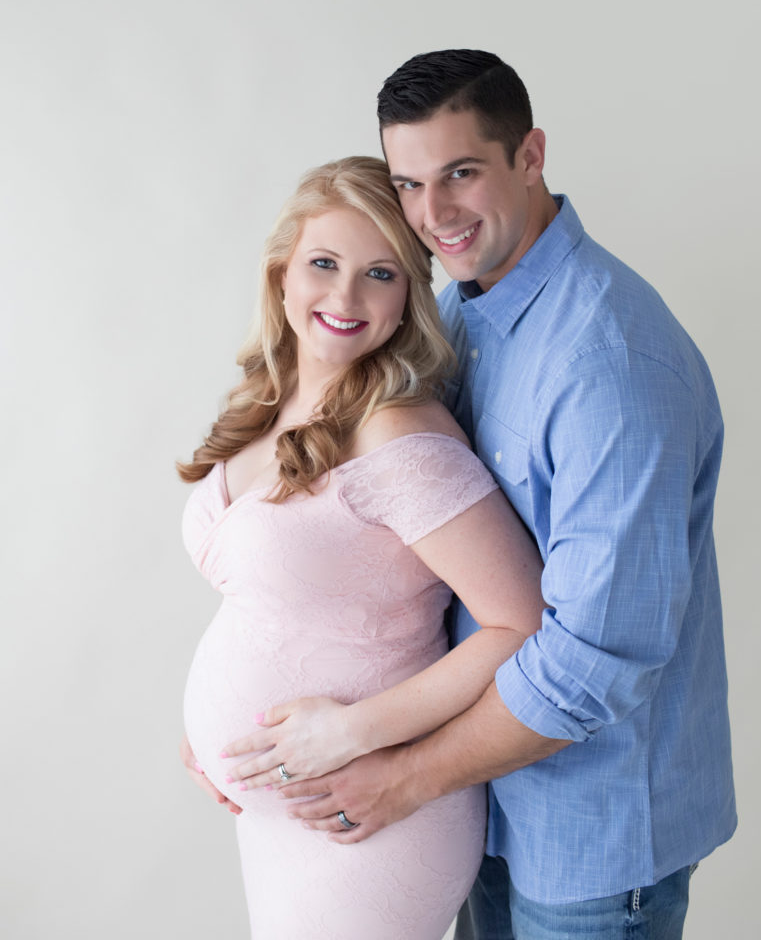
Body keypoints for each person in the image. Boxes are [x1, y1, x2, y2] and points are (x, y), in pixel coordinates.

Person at [274, 51, 737, 939]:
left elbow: (593, 660)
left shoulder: (609, 364)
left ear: (529, 154)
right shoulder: (460, 313)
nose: (433, 215)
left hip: (590, 842)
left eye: (461, 173)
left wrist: (401, 774)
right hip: (482, 811)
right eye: (409, 184)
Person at [177, 155, 546, 940]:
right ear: (281, 276)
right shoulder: (266, 406)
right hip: (282, 813)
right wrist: (209, 733)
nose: (345, 297)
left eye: (379, 273)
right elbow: (273, 600)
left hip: (366, 818)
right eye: (323, 264)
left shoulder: (396, 435)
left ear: (409, 296)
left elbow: (523, 622)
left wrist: (349, 732)